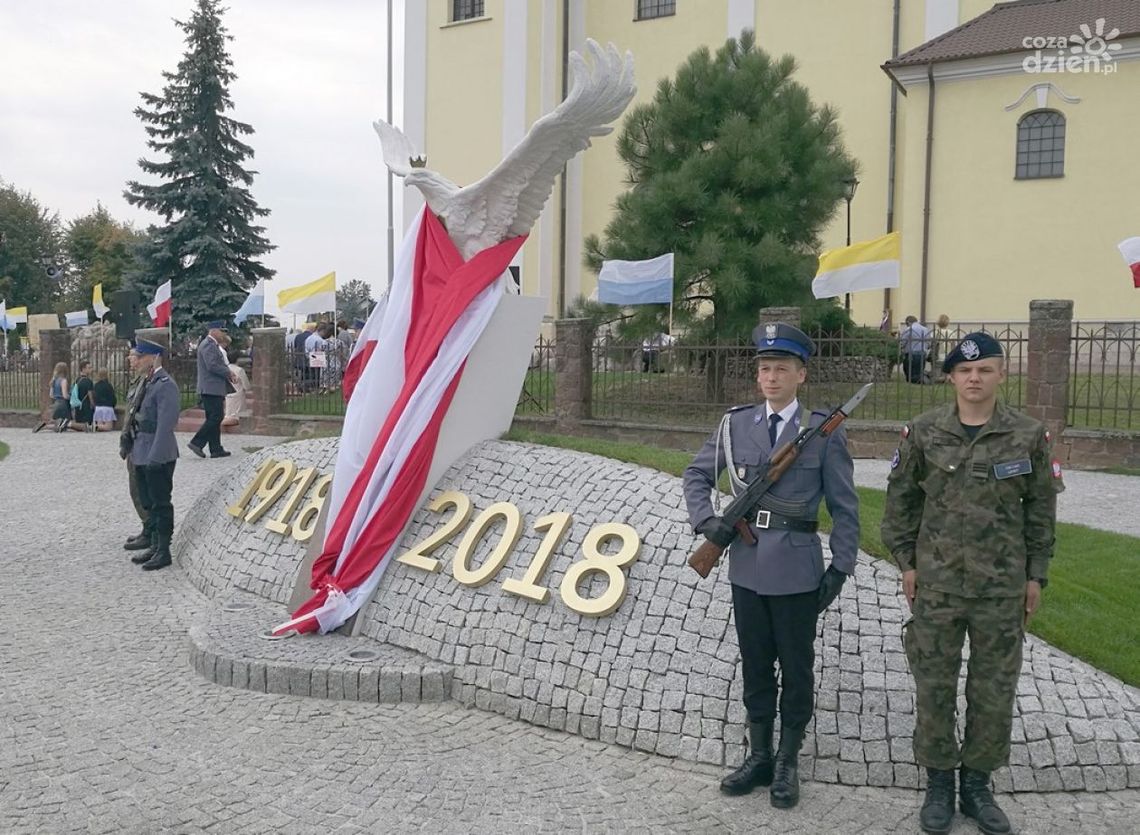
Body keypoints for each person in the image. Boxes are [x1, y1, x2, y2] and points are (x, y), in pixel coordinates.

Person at [882, 332, 1064, 835]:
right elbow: (899, 504)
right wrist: (907, 564)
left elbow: (1041, 515)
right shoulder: (923, 432)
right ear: (951, 377)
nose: (975, 378)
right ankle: (939, 783)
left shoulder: (1028, 435)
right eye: (965, 371)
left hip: (1001, 588)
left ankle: (978, 786)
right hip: (937, 587)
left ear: (1002, 373)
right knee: (935, 688)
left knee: (993, 691)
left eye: (985, 369)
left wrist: (1035, 575)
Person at [682, 322, 860, 808]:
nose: (771, 377)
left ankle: (786, 761)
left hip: (799, 571)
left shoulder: (822, 433)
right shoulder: (735, 424)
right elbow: (697, 474)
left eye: (782, 368)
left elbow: (845, 508)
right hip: (745, 566)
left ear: (801, 374)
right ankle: (758, 755)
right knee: (757, 665)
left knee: (797, 670)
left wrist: (839, 569)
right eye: (764, 368)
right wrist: (708, 523)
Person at [130, 337, 181, 571]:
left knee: (161, 502)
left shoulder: (165, 384)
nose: (136, 361)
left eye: (140, 357)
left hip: (157, 452)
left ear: (153, 358)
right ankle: (153, 542)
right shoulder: (149, 382)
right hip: (142, 449)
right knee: (147, 500)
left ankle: (164, 550)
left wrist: (156, 456)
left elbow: (165, 424)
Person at [188, 321, 236, 459]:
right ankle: (197, 442)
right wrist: (228, 373)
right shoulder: (208, 345)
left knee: (214, 417)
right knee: (216, 417)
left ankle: (216, 448)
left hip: (212, 387)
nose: (223, 334)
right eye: (222, 331)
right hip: (210, 387)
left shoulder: (211, 344)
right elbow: (212, 365)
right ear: (213, 331)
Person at [120, 348, 152, 554]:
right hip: (133, 442)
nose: (130, 360)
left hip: (143, 444)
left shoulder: (150, 382)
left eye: (133, 356)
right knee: (136, 490)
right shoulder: (138, 380)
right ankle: (147, 527)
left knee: (143, 491)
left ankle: (151, 531)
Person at [222, 346, 251, 427]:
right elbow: (246, 386)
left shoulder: (225, 369)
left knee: (228, 413)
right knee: (236, 416)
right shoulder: (239, 370)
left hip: (228, 394)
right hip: (238, 395)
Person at [899, 315, 932, 384]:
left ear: (908, 322)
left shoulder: (909, 329)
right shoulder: (925, 329)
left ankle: (913, 382)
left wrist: (901, 348)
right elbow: (929, 343)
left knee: (909, 371)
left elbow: (903, 342)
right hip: (922, 353)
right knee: (919, 370)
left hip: (911, 354)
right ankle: (921, 380)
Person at [69, 361, 95, 431]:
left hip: (77, 404)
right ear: (83, 369)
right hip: (86, 405)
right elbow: (90, 394)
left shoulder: (77, 380)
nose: (91, 370)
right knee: (87, 423)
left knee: (79, 422)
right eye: (89, 368)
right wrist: (93, 404)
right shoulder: (88, 381)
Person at [47, 362, 71, 432]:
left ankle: (46, 426)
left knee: (58, 421)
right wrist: (71, 397)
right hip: (63, 404)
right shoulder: (63, 380)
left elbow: (51, 395)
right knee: (65, 422)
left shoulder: (54, 381)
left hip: (56, 403)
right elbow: (65, 395)